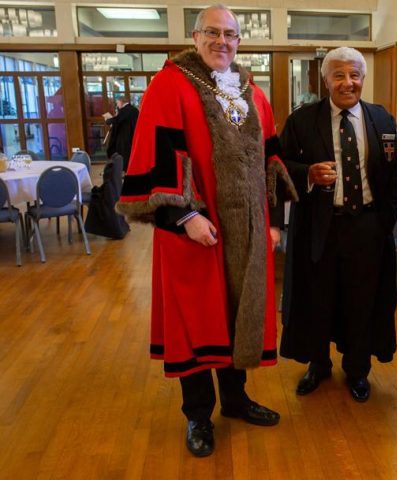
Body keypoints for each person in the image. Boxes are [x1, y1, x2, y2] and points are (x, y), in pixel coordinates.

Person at [116, 4, 297, 458]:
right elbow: (158, 153)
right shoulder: (169, 84)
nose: (222, 41)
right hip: (196, 229)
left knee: (238, 313)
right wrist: (185, 216)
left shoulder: (253, 93)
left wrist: (273, 222)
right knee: (196, 321)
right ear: (195, 38)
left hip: (248, 229)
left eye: (230, 34)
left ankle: (236, 399)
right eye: (212, 33)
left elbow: (270, 157)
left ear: (239, 41)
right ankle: (198, 414)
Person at [280, 47, 397, 403]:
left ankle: (357, 369)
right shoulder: (302, 120)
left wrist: (385, 221)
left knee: (362, 301)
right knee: (317, 299)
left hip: (367, 226)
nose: (347, 82)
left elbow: (396, 172)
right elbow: (278, 166)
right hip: (319, 227)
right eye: (339, 75)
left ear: (363, 78)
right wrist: (307, 174)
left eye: (354, 75)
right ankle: (318, 364)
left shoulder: (382, 119)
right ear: (326, 80)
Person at [104, 95, 139, 171]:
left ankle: (125, 169)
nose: (117, 105)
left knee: (124, 153)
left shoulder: (125, 110)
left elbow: (118, 120)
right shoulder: (134, 109)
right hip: (133, 134)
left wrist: (108, 120)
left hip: (124, 136)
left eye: (117, 103)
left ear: (121, 102)